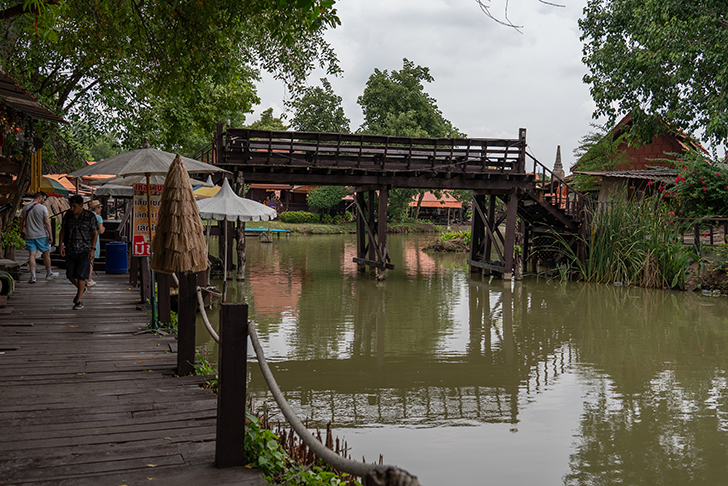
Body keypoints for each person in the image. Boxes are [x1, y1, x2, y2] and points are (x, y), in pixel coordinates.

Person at [58, 195, 98, 310]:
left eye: (74, 206)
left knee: (81, 275)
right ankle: (82, 289)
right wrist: (61, 245)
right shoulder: (68, 216)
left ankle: (79, 300)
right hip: (70, 248)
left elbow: (95, 232)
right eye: (70, 206)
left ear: (81, 206)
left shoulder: (89, 216)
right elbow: (63, 230)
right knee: (70, 275)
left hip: (84, 250)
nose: (72, 208)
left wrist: (92, 249)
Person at [19, 191, 59, 283]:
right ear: (40, 197)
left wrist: (21, 232)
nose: (44, 201)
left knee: (31, 255)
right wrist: (51, 235)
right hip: (42, 235)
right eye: (44, 199)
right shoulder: (43, 208)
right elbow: (47, 223)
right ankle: (49, 273)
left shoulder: (25, 207)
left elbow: (21, 223)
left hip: (29, 235)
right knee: (46, 254)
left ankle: (33, 276)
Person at [86, 200, 105, 287]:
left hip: (85, 240)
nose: (100, 209)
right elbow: (100, 231)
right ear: (97, 208)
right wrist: (103, 228)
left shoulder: (86, 216)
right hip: (94, 241)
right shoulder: (98, 217)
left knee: (85, 261)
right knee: (91, 261)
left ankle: (84, 278)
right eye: (100, 207)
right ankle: (88, 279)